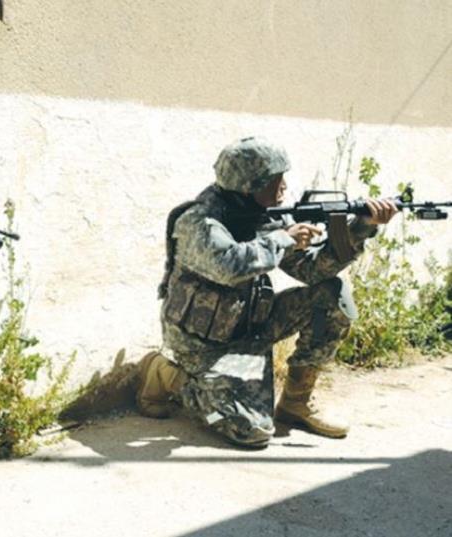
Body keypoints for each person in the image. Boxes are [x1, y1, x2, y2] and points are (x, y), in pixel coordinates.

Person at [138, 136, 398, 448]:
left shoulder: (268, 215)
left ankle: (295, 404)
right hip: (205, 348)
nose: (284, 186)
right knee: (251, 430)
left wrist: (361, 227)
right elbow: (230, 267)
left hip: (253, 326)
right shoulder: (200, 222)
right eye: (276, 180)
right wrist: (283, 239)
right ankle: (167, 374)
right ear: (251, 185)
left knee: (331, 296)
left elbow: (311, 270)